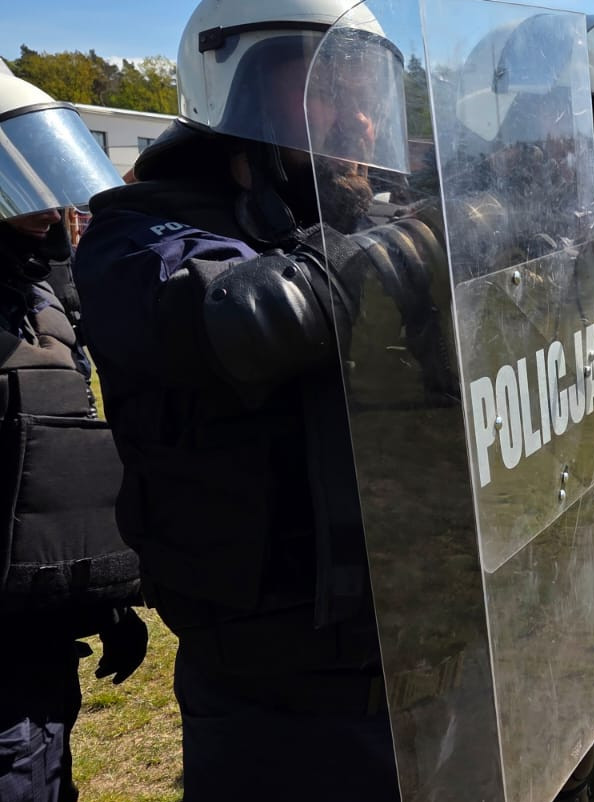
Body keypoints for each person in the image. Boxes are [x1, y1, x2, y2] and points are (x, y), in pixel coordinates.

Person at [70, 2, 433, 799]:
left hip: (411, 644)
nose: (364, 115)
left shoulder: (351, 223)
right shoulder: (140, 234)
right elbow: (243, 315)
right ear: (244, 89)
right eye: (332, 84)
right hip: (274, 684)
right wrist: (422, 243)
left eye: (367, 85)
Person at [0, 73, 146, 802]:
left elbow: (54, 459)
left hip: (37, 636)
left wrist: (100, 600)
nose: (38, 206)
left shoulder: (41, 302)